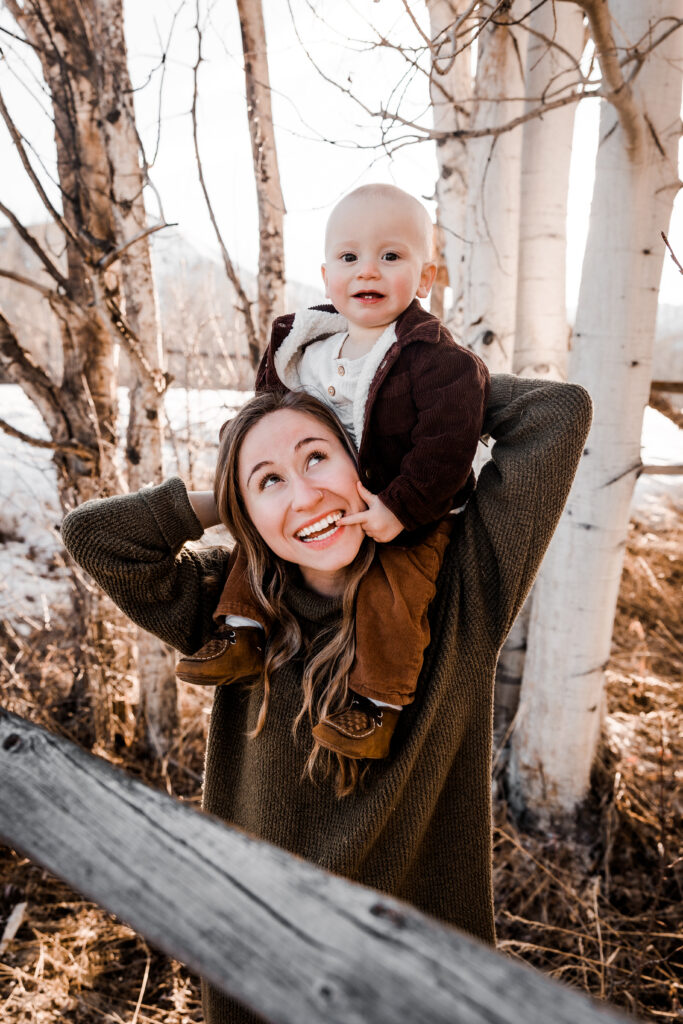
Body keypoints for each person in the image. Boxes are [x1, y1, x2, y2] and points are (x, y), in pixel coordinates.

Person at [61, 374, 592, 1024]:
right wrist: (227, 504)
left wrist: (387, 379)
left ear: (361, 458)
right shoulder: (231, 613)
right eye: (269, 481)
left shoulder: (459, 587)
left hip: (420, 978)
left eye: (317, 457)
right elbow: (95, 536)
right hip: (264, 966)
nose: (307, 494)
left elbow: (554, 413)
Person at [177, 184, 490, 760]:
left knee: (393, 592)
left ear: (426, 276)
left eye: (391, 257)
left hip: (405, 513)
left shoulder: (438, 362)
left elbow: (446, 445)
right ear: (326, 276)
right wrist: (241, 486)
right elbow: (261, 425)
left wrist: (401, 508)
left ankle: (377, 706)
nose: (367, 270)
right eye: (350, 258)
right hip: (319, 498)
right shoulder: (305, 349)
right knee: (257, 545)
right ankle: (241, 631)